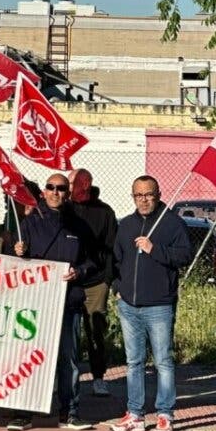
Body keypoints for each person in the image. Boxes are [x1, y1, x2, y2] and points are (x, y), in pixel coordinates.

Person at [7, 174, 96, 431]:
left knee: (68, 360)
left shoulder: (79, 226)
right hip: (34, 304)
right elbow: (10, 261)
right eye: (50, 187)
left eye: (61, 188)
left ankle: (69, 413)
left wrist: (78, 272)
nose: (55, 192)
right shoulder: (29, 223)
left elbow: (93, 262)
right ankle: (22, 413)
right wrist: (17, 251)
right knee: (28, 357)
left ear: (67, 193)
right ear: (43, 192)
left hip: (68, 302)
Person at [110, 175, 192, 431]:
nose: (144, 200)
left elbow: (184, 256)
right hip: (129, 306)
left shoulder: (172, 223)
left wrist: (154, 249)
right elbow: (115, 260)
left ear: (158, 194)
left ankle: (165, 414)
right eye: (138, 195)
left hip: (159, 305)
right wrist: (117, 289)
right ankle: (135, 414)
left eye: (148, 194)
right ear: (133, 197)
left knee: (163, 361)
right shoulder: (125, 225)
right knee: (133, 361)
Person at [68, 168, 118, 397]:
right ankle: (66, 379)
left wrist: (108, 280)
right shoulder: (65, 210)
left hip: (96, 281)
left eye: (74, 184)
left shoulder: (104, 212)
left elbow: (112, 249)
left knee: (95, 331)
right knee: (66, 332)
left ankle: (98, 377)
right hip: (68, 280)